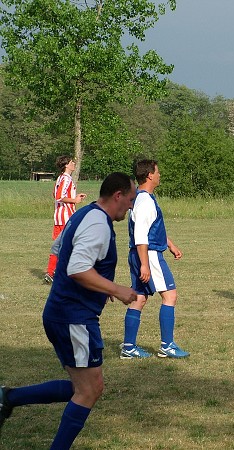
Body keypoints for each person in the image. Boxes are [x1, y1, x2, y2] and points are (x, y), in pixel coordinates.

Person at [0, 173, 137, 448]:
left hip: (64, 313)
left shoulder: (84, 215)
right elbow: (76, 268)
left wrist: (97, 285)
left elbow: (60, 249)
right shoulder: (98, 223)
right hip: (73, 317)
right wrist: (114, 288)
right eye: (130, 200)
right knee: (89, 390)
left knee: (84, 388)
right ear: (118, 195)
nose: (131, 206)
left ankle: (7, 398)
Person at [120, 159, 189, 359]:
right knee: (170, 295)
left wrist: (170, 244)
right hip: (147, 254)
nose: (159, 175)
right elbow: (142, 235)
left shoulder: (140, 199)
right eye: (157, 172)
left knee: (139, 298)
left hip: (139, 253)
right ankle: (167, 345)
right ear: (150, 175)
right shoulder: (146, 202)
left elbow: (150, 229)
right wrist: (145, 264)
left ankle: (129, 347)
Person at [44, 155, 87, 284]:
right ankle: (55, 272)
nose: (74, 163)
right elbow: (58, 196)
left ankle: (54, 272)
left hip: (59, 216)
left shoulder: (60, 178)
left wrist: (74, 196)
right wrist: (74, 200)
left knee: (60, 246)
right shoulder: (66, 179)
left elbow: (55, 193)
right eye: (71, 162)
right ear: (66, 165)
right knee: (67, 245)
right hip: (65, 217)